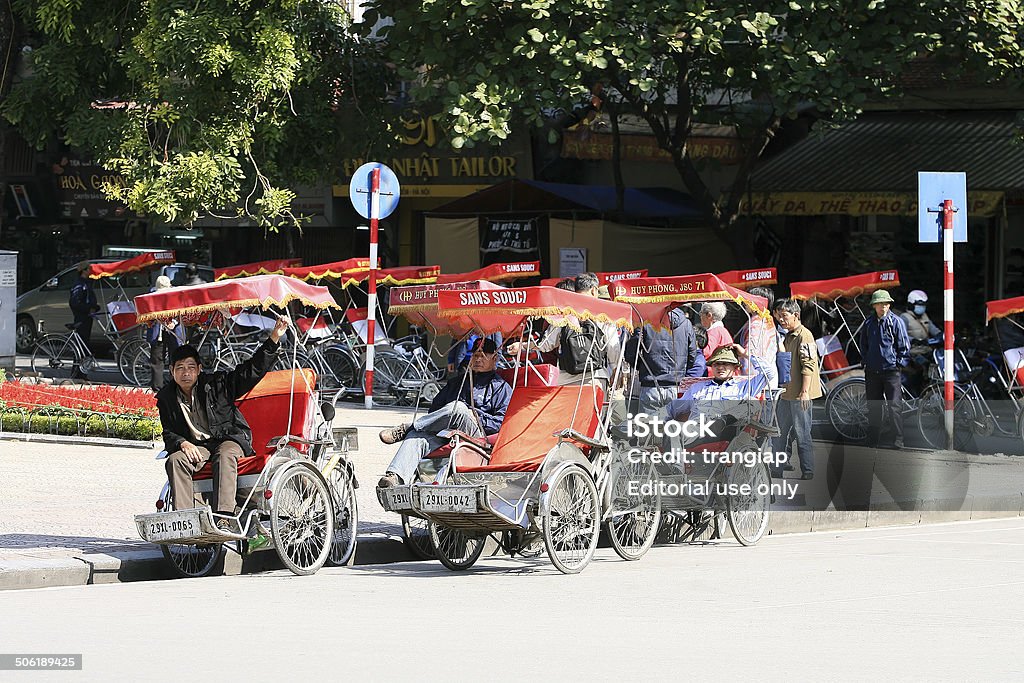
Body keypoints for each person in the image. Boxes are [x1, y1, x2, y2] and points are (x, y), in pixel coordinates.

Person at [158, 315, 289, 531]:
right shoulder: (166, 398)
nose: (186, 373)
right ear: (172, 371)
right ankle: (184, 520)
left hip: (229, 440)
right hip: (199, 448)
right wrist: (183, 443)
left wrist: (274, 337)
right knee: (175, 460)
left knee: (225, 454)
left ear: (199, 369)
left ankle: (224, 517)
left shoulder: (217, 384)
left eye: (191, 367)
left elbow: (250, 372)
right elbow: (168, 432)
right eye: (180, 368)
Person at [377, 337, 512, 488]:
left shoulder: (501, 387)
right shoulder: (457, 382)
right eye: (475, 355)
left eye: (482, 356)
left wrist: (477, 416)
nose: (478, 359)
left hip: (477, 435)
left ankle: (408, 427)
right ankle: (395, 477)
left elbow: (501, 423)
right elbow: (435, 411)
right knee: (417, 435)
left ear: (494, 359)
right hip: (447, 433)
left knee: (459, 407)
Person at [660, 344, 769, 447]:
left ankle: (722, 420)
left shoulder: (743, 387)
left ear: (735, 367)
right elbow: (673, 408)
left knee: (751, 402)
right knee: (672, 428)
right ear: (711, 367)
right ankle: (676, 467)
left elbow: (768, 372)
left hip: (726, 430)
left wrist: (745, 354)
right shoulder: (697, 388)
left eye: (725, 363)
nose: (720, 367)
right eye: (716, 364)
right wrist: (652, 419)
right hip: (696, 430)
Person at [773, 298, 821, 479]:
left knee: (802, 432)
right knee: (780, 432)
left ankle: (808, 470)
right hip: (786, 392)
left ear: (796, 315)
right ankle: (776, 468)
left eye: (784, 316)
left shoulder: (804, 335)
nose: (781, 320)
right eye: (779, 317)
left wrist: (805, 392)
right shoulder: (786, 335)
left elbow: (808, 364)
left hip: (800, 392)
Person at [859, 289, 911, 449]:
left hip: (891, 372)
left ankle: (898, 439)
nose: (884, 307)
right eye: (881, 304)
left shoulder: (896, 322)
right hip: (872, 371)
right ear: (874, 305)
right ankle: (873, 438)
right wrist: (865, 361)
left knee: (894, 406)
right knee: (874, 406)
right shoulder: (868, 323)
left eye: (886, 303)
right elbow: (863, 345)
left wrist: (899, 364)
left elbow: (904, 346)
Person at [625, 303, 699, 414]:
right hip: (675, 385)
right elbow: (692, 355)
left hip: (651, 384)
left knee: (648, 429)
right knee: (673, 429)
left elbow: (631, 353)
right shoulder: (686, 324)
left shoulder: (645, 320)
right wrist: (681, 371)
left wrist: (643, 366)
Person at [736, 286, 780, 390]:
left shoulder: (756, 323)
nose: (745, 302)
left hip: (755, 380)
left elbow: (750, 354)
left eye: (748, 298)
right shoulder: (768, 319)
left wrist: (738, 349)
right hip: (768, 376)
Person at [148, 276, 182, 391]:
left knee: (175, 358)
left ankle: (175, 385)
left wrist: (174, 322)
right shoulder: (151, 295)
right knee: (157, 359)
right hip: (158, 332)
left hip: (173, 330)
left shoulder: (176, 294)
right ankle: (157, 388)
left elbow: (181, 311)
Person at [68, 264, 99, 364]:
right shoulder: (79, 285)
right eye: (89, 269)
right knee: (81, 345)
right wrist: (89, 308)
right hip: (81, 317)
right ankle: (77, 371)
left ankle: (82, 371)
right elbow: (74, 302)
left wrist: (95, 307)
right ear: (84, 271)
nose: (91, 271)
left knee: (84, 343)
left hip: (87, 316)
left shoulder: (86, 283)